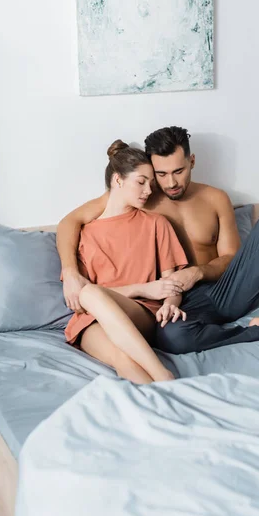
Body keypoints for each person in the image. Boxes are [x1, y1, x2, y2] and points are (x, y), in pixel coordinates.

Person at [58, 127, 259, 356]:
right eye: (161, 174)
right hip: (183, 300)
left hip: (226, 288)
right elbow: (70, 222)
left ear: (192, 161)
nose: (170, 183)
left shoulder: (215, 198)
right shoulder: (142, 197)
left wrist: (197, 271)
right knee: (173, 337)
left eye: (178, 171)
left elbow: (230, 258)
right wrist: (71, 272)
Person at [64, 139, 189, 384]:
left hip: (140, 312)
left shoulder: (156, 224)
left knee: (91, 293)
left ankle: (162, 374)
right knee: (122, 358)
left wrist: (170, 304)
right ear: (118, 180)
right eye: (141, 182)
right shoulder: (86, 233)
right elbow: (81, 299)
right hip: (90, 321)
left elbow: (171, 284)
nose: (149, 190)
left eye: (151, 183)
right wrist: (142, 288)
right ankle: (164, 404)